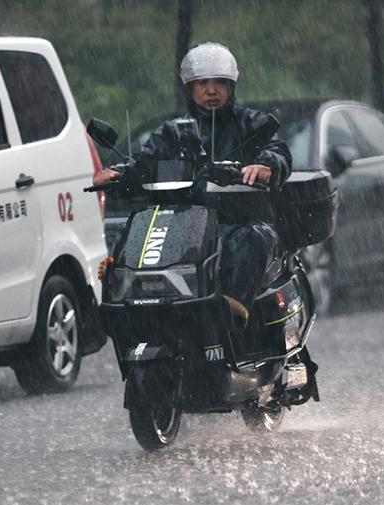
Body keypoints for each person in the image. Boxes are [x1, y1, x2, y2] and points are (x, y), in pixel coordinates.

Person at [94, 42, 292, 355]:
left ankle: (233, 313)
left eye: (219, 83)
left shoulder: (251, 123)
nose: (211, 90)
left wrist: (266, 164)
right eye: (202, 83)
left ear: (231, 86)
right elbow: (143, 161)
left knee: (254, 238)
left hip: (239, 221)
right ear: (190, 88)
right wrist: (117, 173)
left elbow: (277, 150)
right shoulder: (173, 132)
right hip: (186, 227)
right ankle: (138, 319)